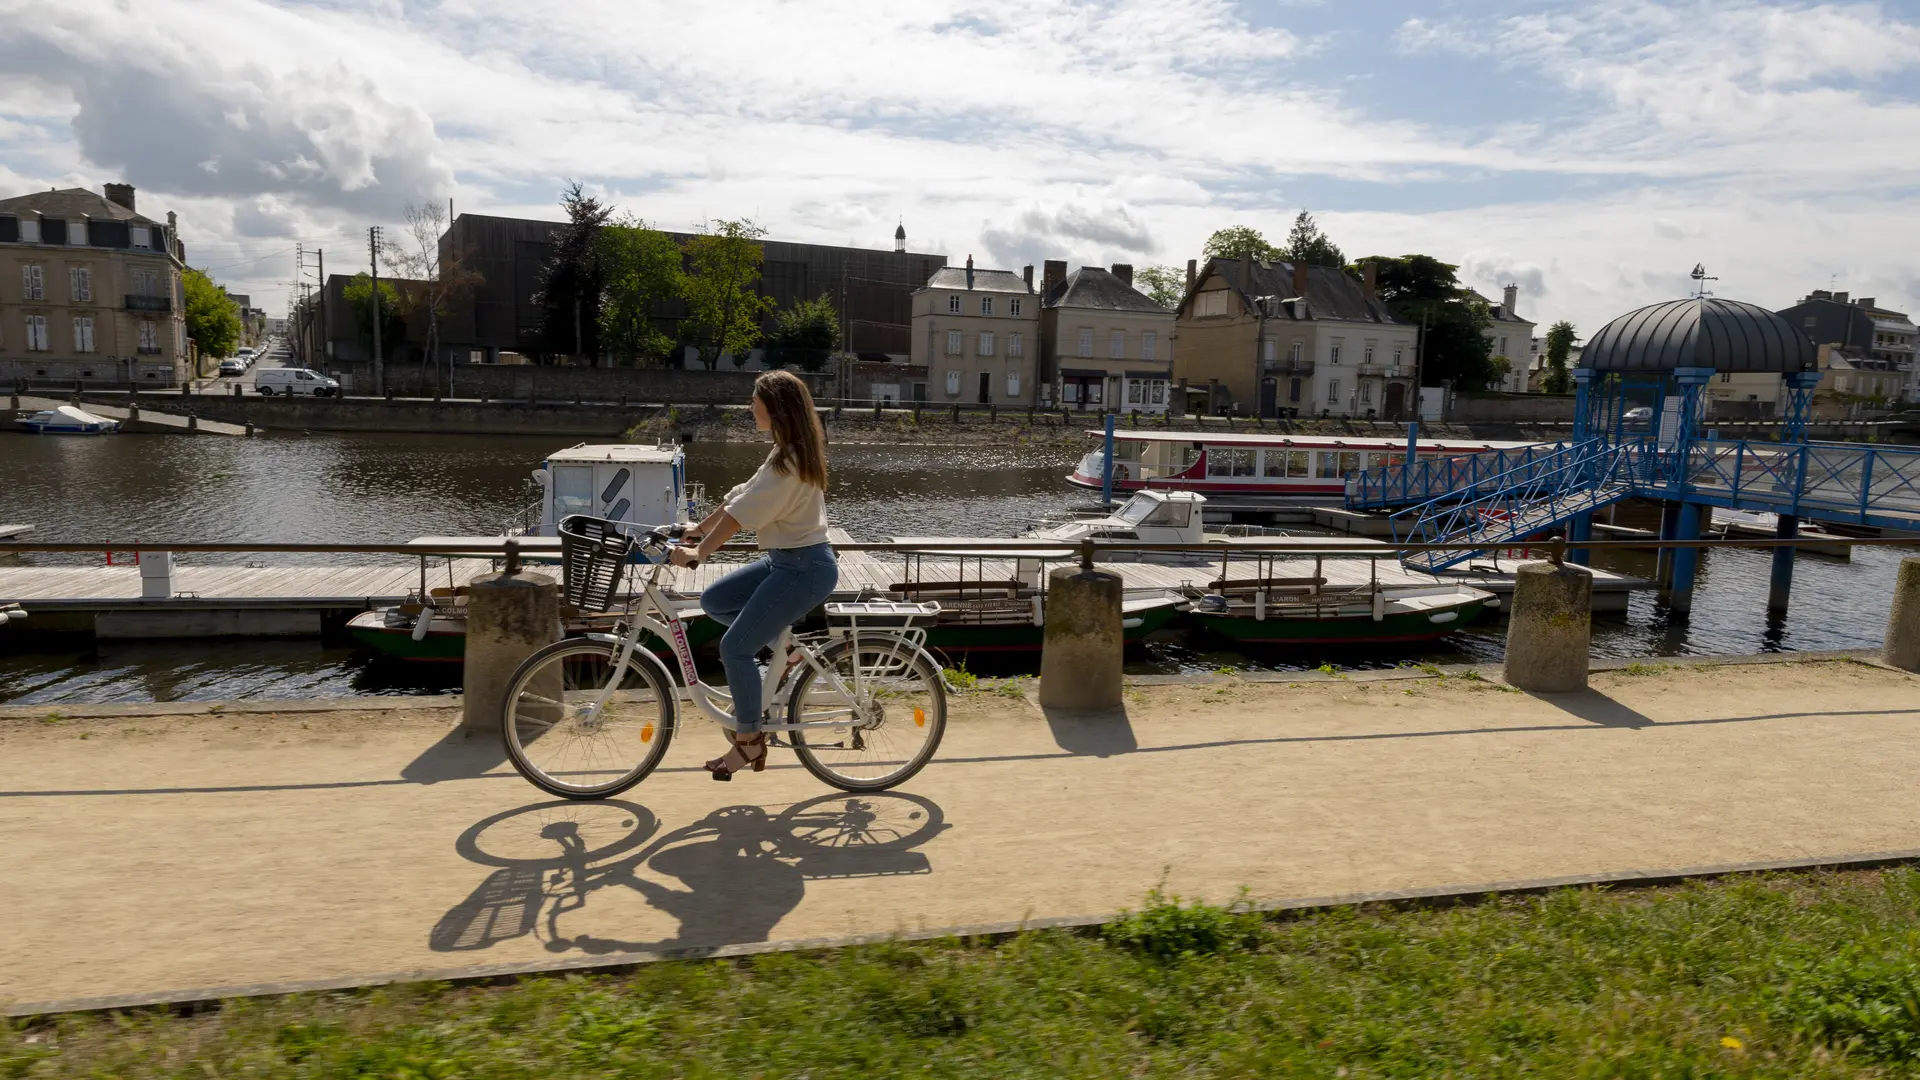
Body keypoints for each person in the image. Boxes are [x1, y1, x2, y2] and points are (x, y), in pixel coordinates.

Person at [670, 370, 836, 780]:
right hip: (786, 561)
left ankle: (749, 740)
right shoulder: (784, 450)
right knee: (716, 601)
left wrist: (699, 553)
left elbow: (742, 518)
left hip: (805, 567)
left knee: (734, 649)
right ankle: (782, 653)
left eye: (754, 399)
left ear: (774, 407)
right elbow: (741, 499)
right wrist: (698, 529)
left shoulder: (790, 462)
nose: (749, 406)